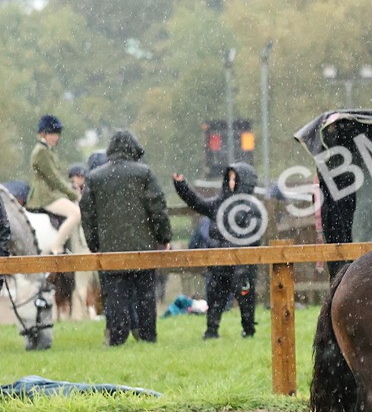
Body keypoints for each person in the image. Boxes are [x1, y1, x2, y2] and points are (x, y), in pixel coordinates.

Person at [79, 130, 172, 346]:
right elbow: (157, 209)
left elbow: (88, 214)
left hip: (110, 249)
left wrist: (95, 244)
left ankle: (117, 337)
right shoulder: (144, 174)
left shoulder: (95, 177)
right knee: (145, 296)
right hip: (143, 247)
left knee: (116, 297)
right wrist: (163, 237)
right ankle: (147, 337)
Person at [172, 163, 265, 339]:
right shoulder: (219, 203)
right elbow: (197, 203)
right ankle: (211, 330)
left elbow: (253, 237)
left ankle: (248, 330)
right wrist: (181, 186)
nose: (231, 182)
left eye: (235, 178)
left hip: (242, 263)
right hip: (219, 261)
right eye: (229, 178)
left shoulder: (252, 207)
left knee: (245, 298)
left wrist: (240, 258)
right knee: (215, 296)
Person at [27, 115, 81, 255]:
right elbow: (54, 178)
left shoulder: (48, 150)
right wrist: (72, 193)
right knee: (75, 213)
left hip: (51, 193)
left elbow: (57, 176)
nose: (56, 137)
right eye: (52, 134)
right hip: (45, 195)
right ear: (43, 134)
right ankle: (56, 246)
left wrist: (70, 186)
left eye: (57, 134)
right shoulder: (41, 152)